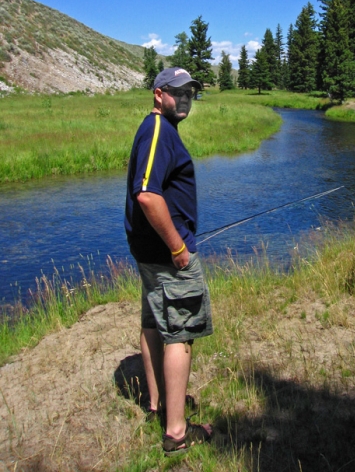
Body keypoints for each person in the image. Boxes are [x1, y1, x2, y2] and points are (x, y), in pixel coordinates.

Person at [125, 67, 213, 454]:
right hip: (167, 258)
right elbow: (146, 194)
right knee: (180, 333)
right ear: (159, 94)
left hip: (151, 255)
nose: (186, 99)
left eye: (190, 93)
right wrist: (178, 248)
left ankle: (158, 404)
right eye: (178, 92)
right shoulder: (159, 130)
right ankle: (176, 432)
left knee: (153, 323)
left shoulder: (157, 128)